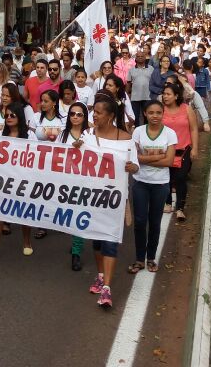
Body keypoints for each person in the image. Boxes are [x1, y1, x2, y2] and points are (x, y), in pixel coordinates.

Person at [87, 95, 137, 308]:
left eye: (98, 112)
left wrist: (131, 167)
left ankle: (107, 288)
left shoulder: (125, 138)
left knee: (110, 241)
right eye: (94, 112)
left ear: (110, 116)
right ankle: (100, 274)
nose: (94, 115)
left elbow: (135, 166)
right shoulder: (88, 136)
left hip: (114, 200)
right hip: (92, 199)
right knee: (97, 241)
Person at [0, 102, 37, 264]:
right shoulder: (0, 135)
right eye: (6, 115)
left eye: (12, 115)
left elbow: (37, 158)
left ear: (20, 117)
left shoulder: (30, 136)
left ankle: (27, 242)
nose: (9, 118)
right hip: (3, 181)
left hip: (23, 181)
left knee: (24, 213)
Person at [128, 100, 177, 275]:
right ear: (145, 114)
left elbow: (169, 161)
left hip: (160, 184)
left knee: (155, 222)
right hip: (140, 182)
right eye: (151, 113)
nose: (155, 116)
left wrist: (144, 158)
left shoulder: (170, 134)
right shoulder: (138, 132)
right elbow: (134, 158)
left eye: (158, 112)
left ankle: (151, 258)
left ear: (163, 114)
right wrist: (158, 157)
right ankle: (139, 259)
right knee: (140, 221)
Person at [58, 102, 93, 271]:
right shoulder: (63, 135)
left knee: (80, 215)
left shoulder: (91, 135)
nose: (75, 117)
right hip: (66, 182)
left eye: (79, 114)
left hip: (85, 182)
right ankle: (75, 242)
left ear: (85, 117)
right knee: (70, 215)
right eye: (72, 114)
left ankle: (76, 253)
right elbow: (54, 156)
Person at [161, 82, 199, 220]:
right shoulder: (160, 110)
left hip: (185, 149)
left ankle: (180, 208)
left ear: (176, 96)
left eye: (168, 94)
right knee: (167, 178)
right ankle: (167, 203)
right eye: (164, 94)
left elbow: (194, 129)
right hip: (166, 151)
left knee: (181, 178)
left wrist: (195, 148)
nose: (165, 97)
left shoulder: (187, 109)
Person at [127, 52, 153, 127]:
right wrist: (126, 94)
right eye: (138, 56)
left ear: (145, 58)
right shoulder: (131, 70)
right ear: (135, 58)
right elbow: (128, 83)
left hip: (148, 97)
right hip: (135, 97)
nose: (140, 57)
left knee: (147, 116)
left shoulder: (151, 68)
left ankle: (147, 131)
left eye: (142, 56)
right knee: (135, 116)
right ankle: (136, 132)